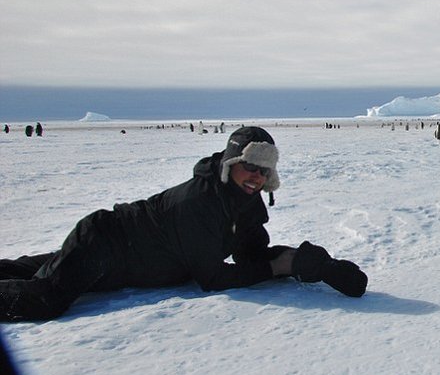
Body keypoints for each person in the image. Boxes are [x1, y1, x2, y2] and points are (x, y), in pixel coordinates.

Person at [0, 126, 367, 322]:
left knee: (25, 271)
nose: (256, 176)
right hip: (105, 244)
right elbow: (212, 277)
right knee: (45, 299)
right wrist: (277, 266)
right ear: (229, 163)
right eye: (250, 166)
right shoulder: (199, 202)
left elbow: (251, 255)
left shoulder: (246, 203)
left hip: (120, 262)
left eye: (264, 169)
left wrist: (308, 263)